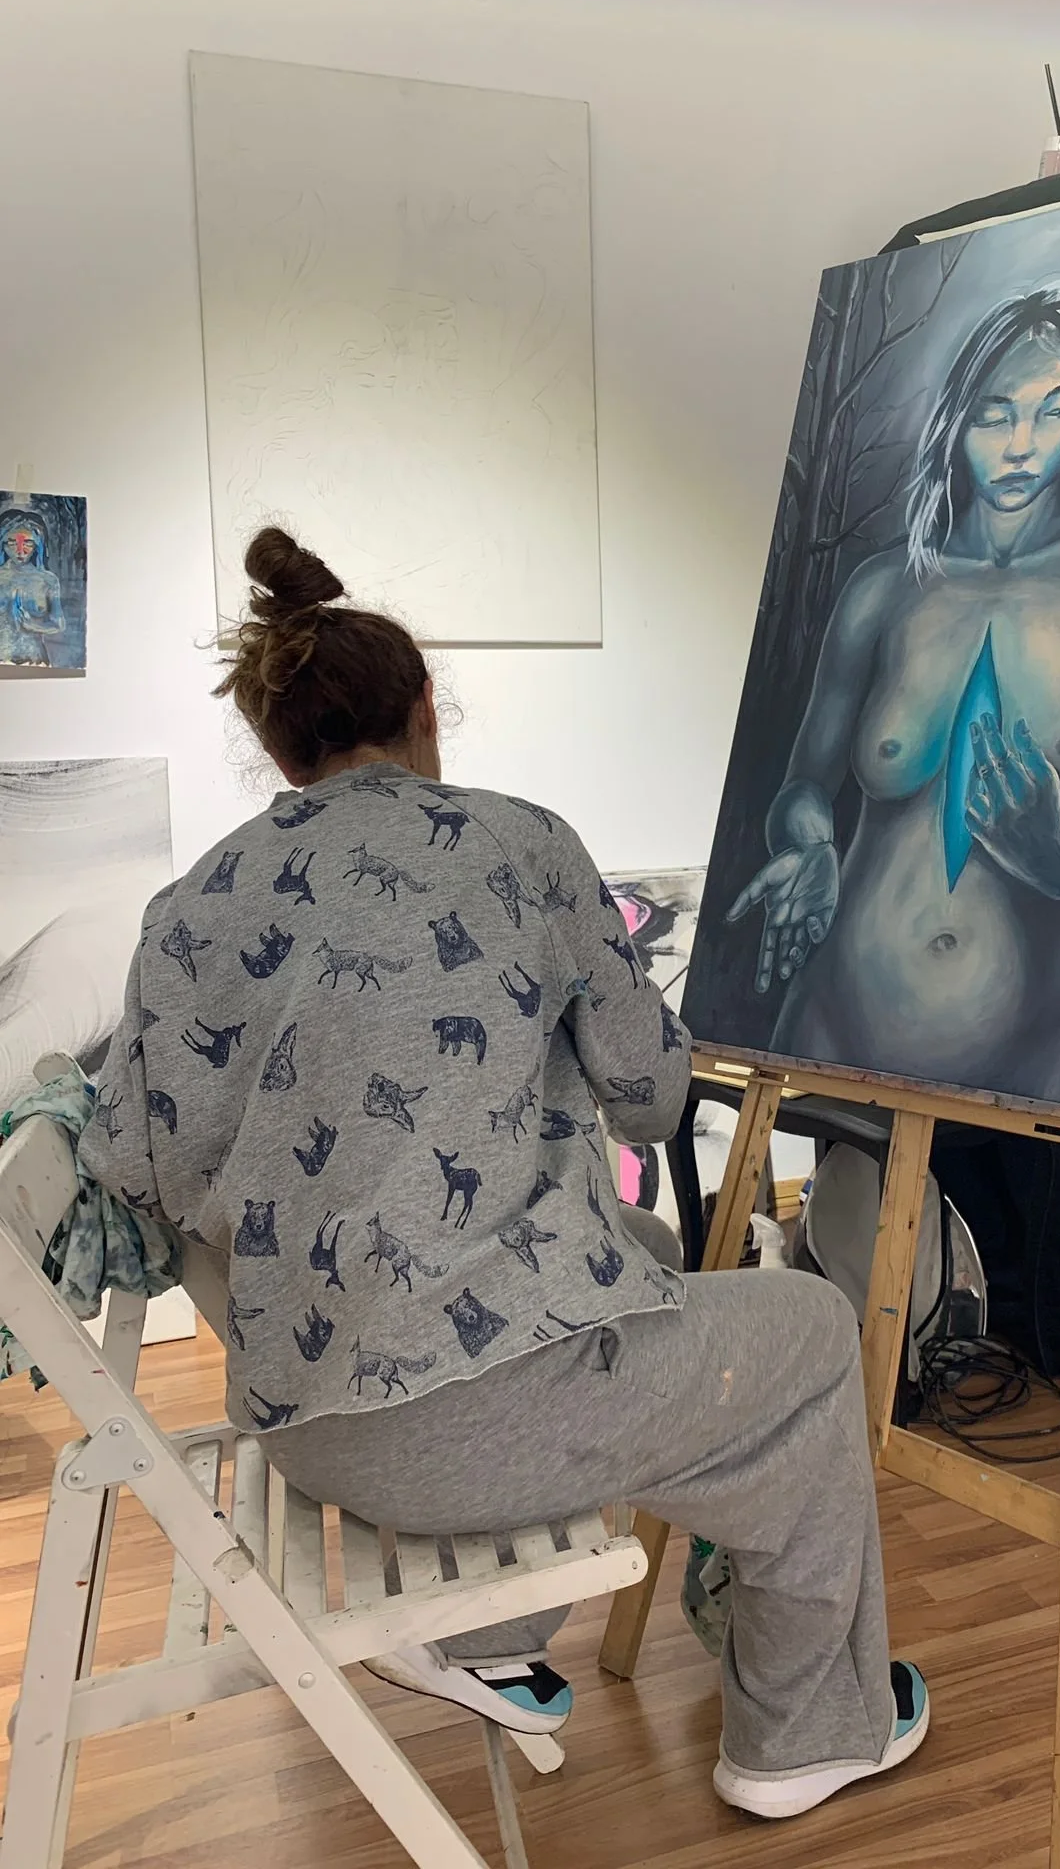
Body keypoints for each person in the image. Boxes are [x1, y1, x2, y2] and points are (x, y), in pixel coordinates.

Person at [77, 527, 926, 1820]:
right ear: (426, 707)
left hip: (309, 1422)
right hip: (460, 1424)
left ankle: (485, 1635)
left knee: (641, 1257)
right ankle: (803, 1735)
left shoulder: (192, 903)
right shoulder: (521, 841)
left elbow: (141, 1165)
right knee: (807, 1328)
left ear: (279, 749)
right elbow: (650, 1102)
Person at [730, 283, 1060, 1105]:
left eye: (1057, 411)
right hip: (836, 1022)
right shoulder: (883, 589)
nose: (1021, 445)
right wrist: (810, 845)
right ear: (955, 423)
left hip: (1032, 1046)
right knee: (823, 1197)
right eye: (993, 414)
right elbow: (804, 784)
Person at [0, 514, 66, 666]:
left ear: (38, 545)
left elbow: (59, 624)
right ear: (2, 543)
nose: (20, 551)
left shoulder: (48, 580)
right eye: (12, 543)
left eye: (28, 543)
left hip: (35, 661)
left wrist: (34, 625)